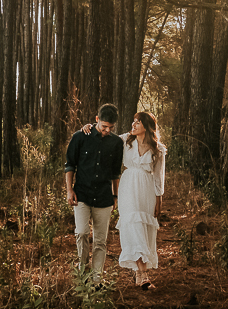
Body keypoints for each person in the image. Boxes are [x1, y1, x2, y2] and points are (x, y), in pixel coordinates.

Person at [82, 111, 166, 289]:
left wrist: (159, 200)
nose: (133, 125)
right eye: (133, 121)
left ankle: (139, 273)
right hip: (128, 187)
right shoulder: (125, 140)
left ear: (147, 126)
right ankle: (143, 275)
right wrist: (90, 127)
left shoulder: (158, 149)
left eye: (138, 122)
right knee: (133, 226)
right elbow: (104, 135)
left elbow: (159, 177)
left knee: (143, 228)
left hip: (147, 189)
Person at [65, 103, 123, 281]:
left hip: (104, 196)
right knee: (81, 232)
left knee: (100, 241)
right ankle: (82, 272)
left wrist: (115, 196)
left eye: (110, 128)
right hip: (81, 194)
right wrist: (69, 190)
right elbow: (70, 165)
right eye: (104, 126)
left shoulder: (116, 143)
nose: (106, 130)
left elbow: (115, 173)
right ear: (97, 120)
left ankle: (97, 277)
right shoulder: (80, 137)